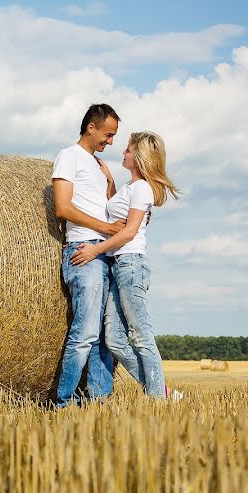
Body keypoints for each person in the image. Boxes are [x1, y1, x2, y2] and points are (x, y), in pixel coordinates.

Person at [70, 131, 179, 399]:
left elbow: (129, 232)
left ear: (139, 157)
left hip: (130, 265)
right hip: (118, 265)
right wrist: (109, 183)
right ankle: (161, 392)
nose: (123, 152)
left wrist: (95, 249)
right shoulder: (131, 188)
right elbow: (117, 213)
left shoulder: (142, 189)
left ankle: (158, 401)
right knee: (115, 339)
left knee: (141, 337)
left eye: (128, 150)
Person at [51, 103, 124, 408]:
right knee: (85, 333)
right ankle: (63, 403)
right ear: (91, 127)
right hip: (84, 250)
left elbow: (111, 205)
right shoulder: (69, 157)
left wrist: (109, 182)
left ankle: (99, 401)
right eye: (108, 134)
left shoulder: (97, 166)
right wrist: (106, 227)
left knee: (104, 338)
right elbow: (63, 208)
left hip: (105, 252)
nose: (111, 141)